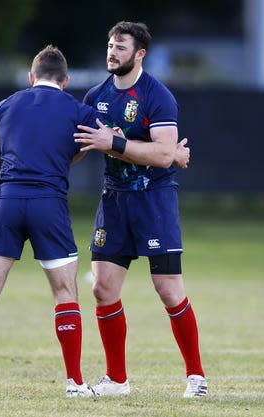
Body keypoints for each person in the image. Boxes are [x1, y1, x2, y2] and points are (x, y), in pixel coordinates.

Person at [0, 45, 109, 399]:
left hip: (7, 202)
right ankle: (75, 383)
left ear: (31, 78)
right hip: (49, 205)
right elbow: (94, 144)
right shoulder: (79, 110)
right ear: (66, 81)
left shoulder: (5, 106)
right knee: (65, 294)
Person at [73, 21, 206, 398]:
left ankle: (196, 377)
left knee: (168, 291)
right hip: (114, 202)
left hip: (153, 203)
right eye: (110, 45)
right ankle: (117, 380)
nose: (111, 52)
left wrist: (112, 141)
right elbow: (79, 148)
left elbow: (164, 154)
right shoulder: (95, 96)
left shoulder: (156, 95)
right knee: (102, 289)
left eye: (120, 47)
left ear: (140, 54)